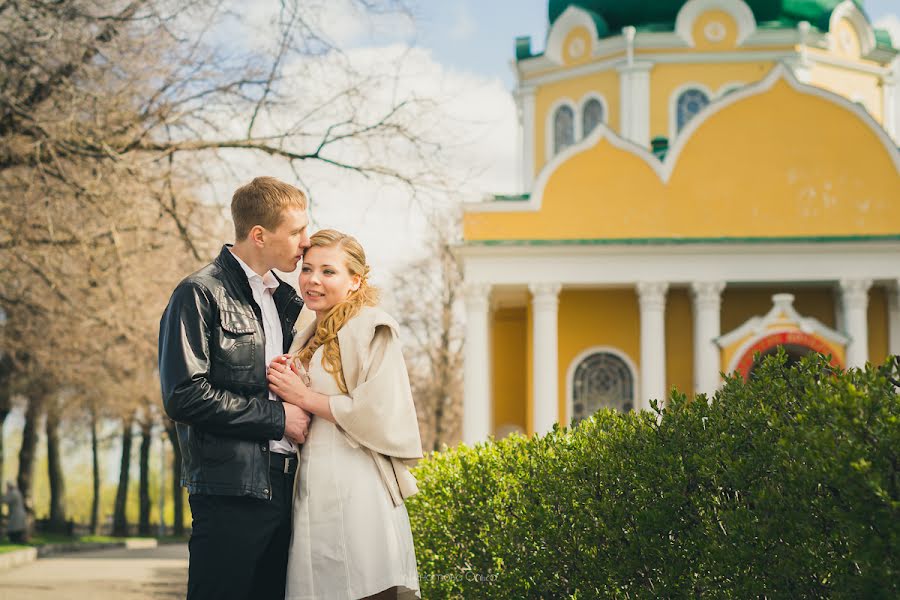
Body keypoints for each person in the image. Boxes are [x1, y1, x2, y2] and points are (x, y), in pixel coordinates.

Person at [159, 176, 313, 600]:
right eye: (298, 230)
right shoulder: (198, 293)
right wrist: (279, 418)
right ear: (259, 235)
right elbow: (184, 394)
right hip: (230, 491)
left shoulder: (285, 302)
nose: (307, 241)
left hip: (287, 488)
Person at [267, 229, 424, 600]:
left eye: (328, 271)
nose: (313, 280)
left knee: (364, 586)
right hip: (310, 488)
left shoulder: (373, 328)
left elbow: (378, 412)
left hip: (358, 487)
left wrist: (303, 396)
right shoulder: (304, 335)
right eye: (307, 269)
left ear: (356, 280)